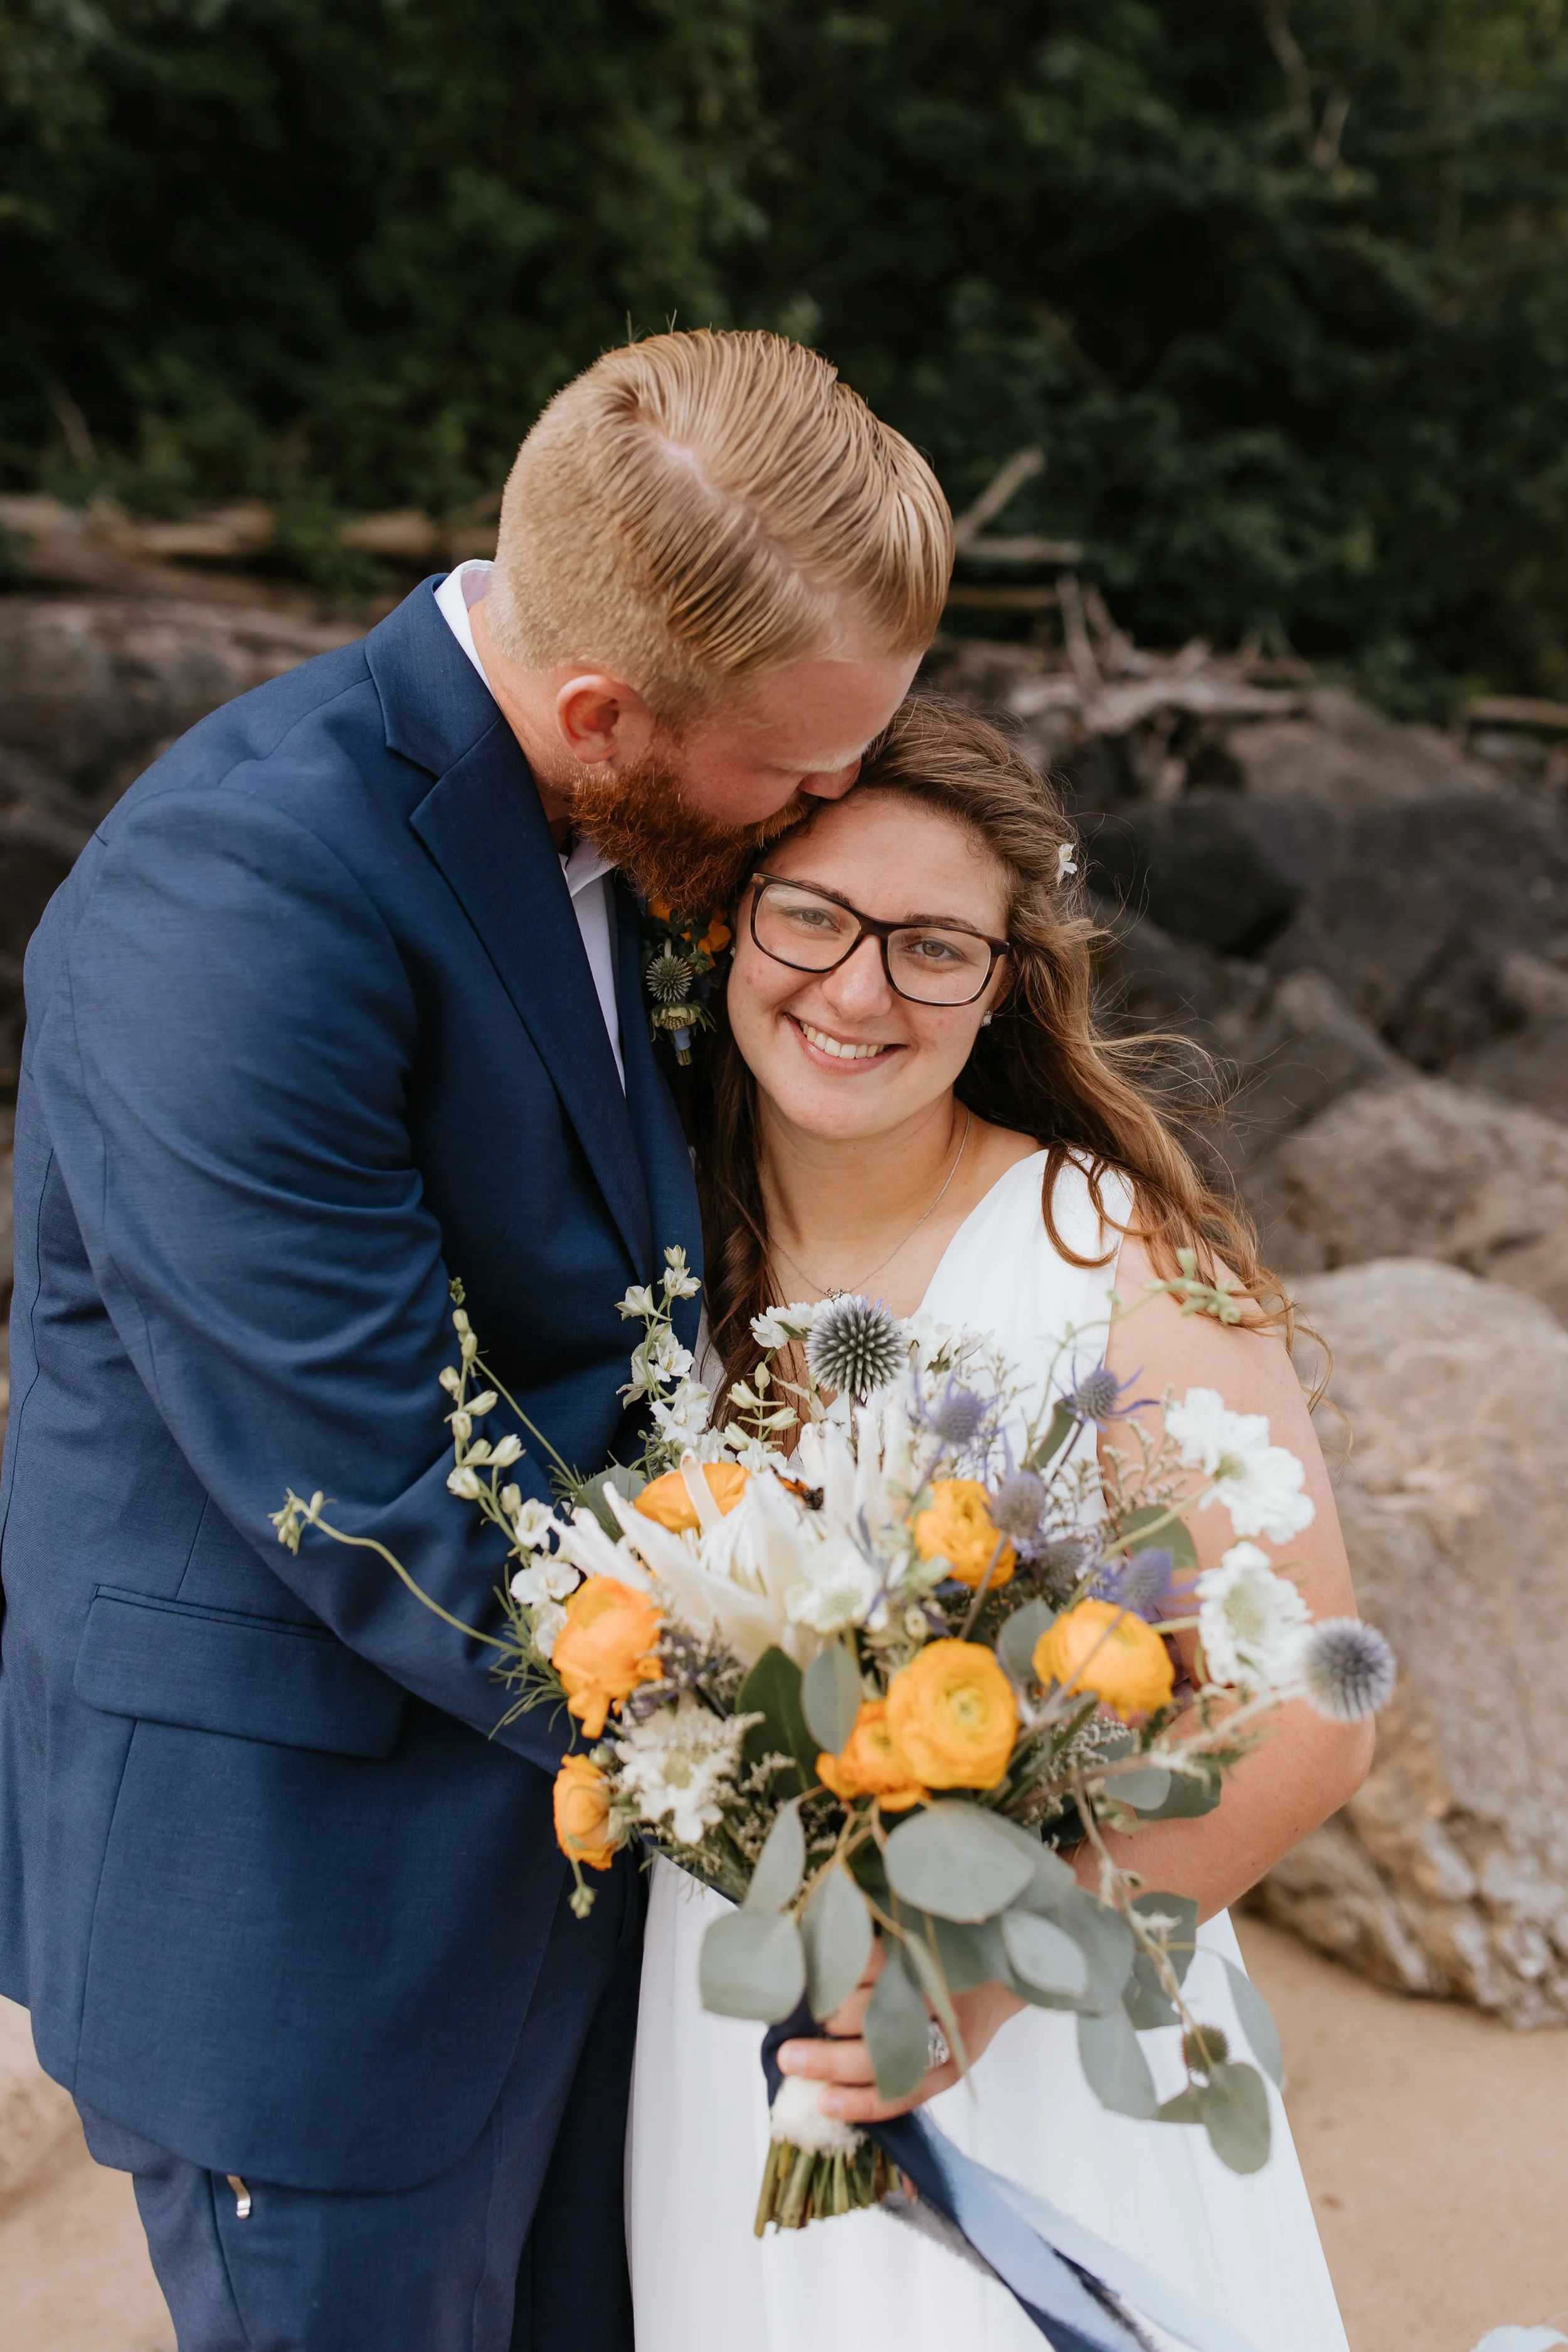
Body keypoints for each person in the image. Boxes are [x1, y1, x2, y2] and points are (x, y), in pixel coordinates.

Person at [0, 330, 951, 2352]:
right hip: (314, 1918)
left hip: (579, 1890)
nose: (834, 806)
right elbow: (383, 1478)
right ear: (602, 709)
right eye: (798, 771)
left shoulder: (646, 826)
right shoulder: (238, 896)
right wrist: (829, 1786)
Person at [626, 694, 1371, 2351]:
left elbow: (1310, 1713)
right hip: (726, 2027)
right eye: (810, 912)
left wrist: (979, 1975)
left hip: (1043, 2046)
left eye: (931, 946)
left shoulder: (1107, 1247)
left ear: (1002, 982)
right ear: (729, 919)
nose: (855, 987)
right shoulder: (642, 1235)